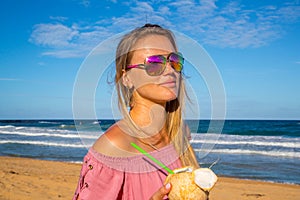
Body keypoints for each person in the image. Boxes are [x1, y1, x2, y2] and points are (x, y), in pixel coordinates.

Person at [73, 24, 199, 200]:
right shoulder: (113, 148)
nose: (170, 70)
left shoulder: (180, 133)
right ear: (127, 78)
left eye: (174, 61)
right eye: (154, 63)